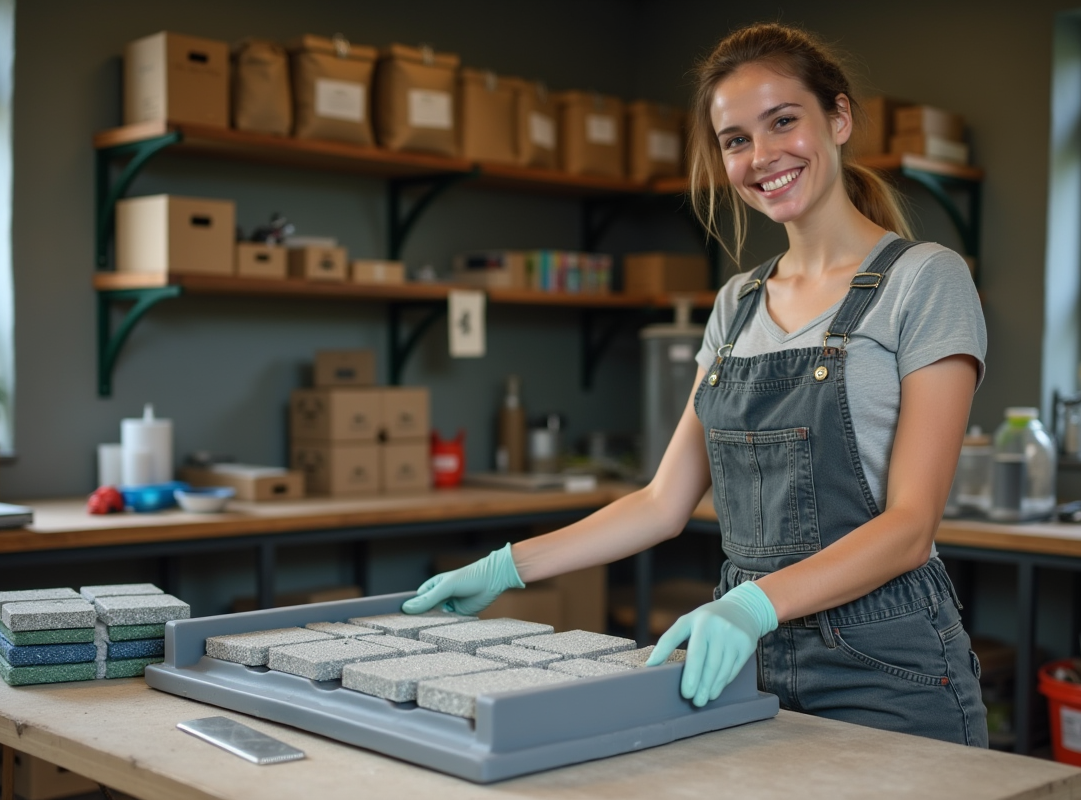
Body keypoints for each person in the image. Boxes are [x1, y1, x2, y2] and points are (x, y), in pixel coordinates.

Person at [404, 22, 988, 747]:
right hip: (746, 661)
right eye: (736, 139)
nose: (762, 156)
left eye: (783, 122)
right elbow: (662, 503)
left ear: (837, 119)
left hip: (885, 664)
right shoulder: (737, 303)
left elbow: (909, 528)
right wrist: (507, 566)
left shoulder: (926, 279)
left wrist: (752, 606)